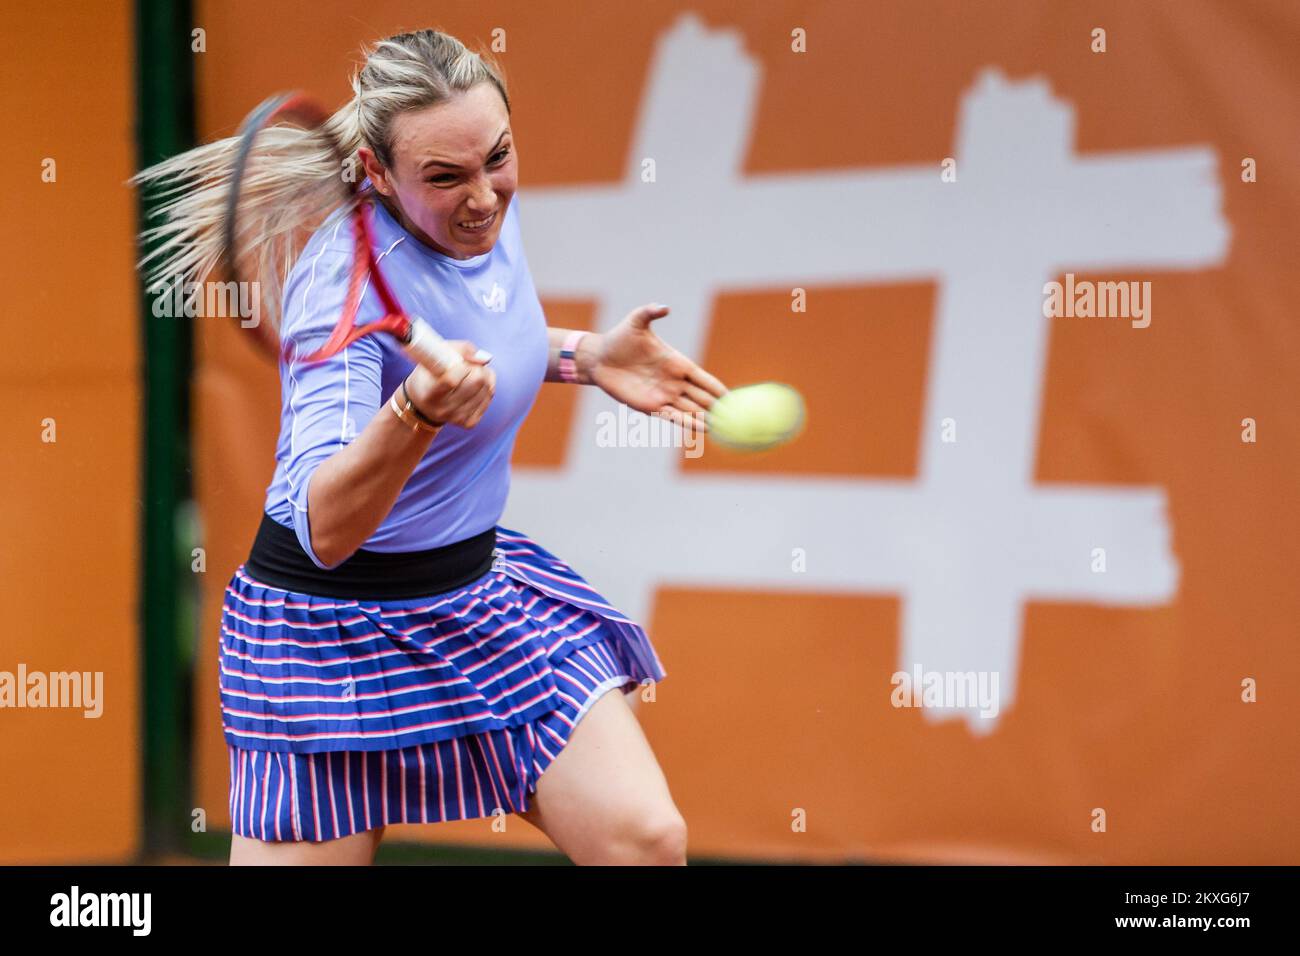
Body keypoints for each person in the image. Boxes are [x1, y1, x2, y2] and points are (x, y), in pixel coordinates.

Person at [135, 28, 728, 865]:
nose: (483, 196)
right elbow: (325, 527)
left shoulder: (484, 222)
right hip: (325, 634)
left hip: (472, 595)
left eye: (497, 157)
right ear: (377, 175)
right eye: (445, 177)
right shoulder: (337, 297)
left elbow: (492, 340)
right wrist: (414, 411)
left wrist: (584, 356)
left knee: (646, 839)